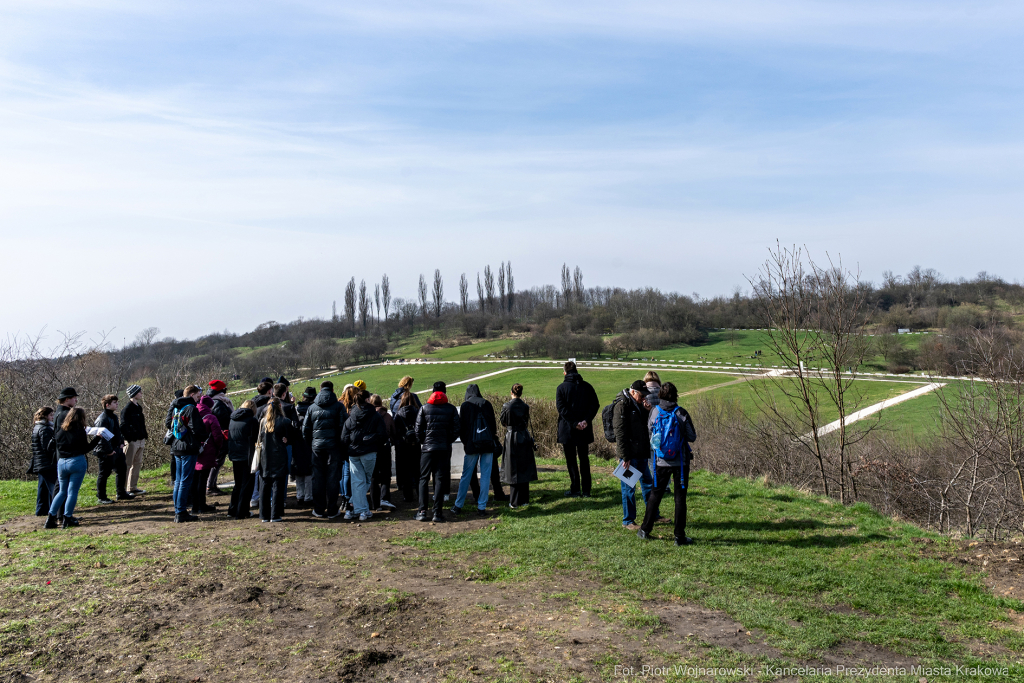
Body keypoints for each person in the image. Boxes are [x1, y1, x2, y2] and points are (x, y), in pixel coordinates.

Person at [637, 382, 697, 546]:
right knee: (680, 499)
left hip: (660, 461)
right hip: (681, 462)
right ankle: (679, 536)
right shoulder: (681, 413)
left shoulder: (655, 412)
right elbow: (692, 436)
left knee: (655, 495)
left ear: (660, 396)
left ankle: (645, 530)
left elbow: (650, 433)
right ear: (676, 395)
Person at [47, 406, 101, 528]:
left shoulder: (60, 430)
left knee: (61, 491)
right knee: (72, 492)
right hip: (76, 461)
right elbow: (86, 449)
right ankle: (67, 518)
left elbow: (51, 446)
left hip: (62, 463)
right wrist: (97, 438)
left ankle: (51, 518)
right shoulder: (80, 431)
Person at [414, 381, 460, 522]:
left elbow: (417, 430)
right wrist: (447, 440)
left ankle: (422, 511)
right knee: (440, 479)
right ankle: (437, 513)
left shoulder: (424, 409)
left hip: (428, 448)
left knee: (423, 479)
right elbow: (456, 429)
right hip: (444, 448)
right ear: (445, 392)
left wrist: (424, 441)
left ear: (432, 392)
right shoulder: (451, 409)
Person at [613, 380, 656, 530]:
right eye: (642, 395)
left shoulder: (639, 405)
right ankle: (628, 521)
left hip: (642, 453)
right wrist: (625, 456)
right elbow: (620, 433)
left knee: (648, 485)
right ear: (633, 392)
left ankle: (653, 515)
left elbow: (643, 427)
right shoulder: (621, 406)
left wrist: (646, 411)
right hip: (629, 456)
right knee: (628, 489)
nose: (644, 398)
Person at [303, 380, 348, 519]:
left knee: (318, 479)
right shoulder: (339, 407)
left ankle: (319, 509)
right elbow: (344, 428)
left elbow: (305, 429)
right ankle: (332, 509)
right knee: (333, 478)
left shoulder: (311, 408)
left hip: (317, 447)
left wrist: (312, 443)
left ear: (320, 390)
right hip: (334, 447)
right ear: (332, 390)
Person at [453, 384, 500, 516]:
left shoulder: (465, 405)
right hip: (487, 444)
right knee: (485, 475)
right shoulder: (487, 403)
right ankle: (482, 506)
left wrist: (466, 442)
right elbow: (493, 426)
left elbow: (462, 427)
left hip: (471, 445)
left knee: (466, 475)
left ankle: (458, 505)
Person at [555, 361, 600, 497]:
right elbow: (595, 405)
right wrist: (585, 420)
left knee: (571, 460)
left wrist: (574, 423)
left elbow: (561, 409)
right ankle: (586, 490)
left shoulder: (561, 388)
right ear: (577, 371)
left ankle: (575, 489)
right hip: (584, 428)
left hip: (568, 429)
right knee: (584, 459)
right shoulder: (587, 387)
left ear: (565, 373)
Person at [340, 390, 387, 521]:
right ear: (367, 400)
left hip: (353, 453)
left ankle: (353, 508)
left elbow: (344, 437)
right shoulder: (375, 416)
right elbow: (383, 435)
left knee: (358, 482)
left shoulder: (351, 416)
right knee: (365, 480)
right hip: (369, 452)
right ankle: (362, 510)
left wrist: (347, 451)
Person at [166, 385, 210, 523]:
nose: (199, 398)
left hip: (176, 446)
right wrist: (204, 435)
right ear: (191, 395)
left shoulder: (176, 407)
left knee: (179, 481)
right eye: (198, 395)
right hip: (188, 447)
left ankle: (178, 509)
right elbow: (197, 429)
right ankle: (181, 512)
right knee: (185, 481)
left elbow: (168, 424)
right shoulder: (191, 409)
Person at [500, 384, 538, 508]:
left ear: (511, 392)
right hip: (524, 436)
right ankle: (525, 499)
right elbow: (526, 421)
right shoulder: (525, 406)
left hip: (512, 437)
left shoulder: (507, 406)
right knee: (524, 467)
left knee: (513, 468)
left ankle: (514, 501)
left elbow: (503, 421)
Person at [258, 397, 296, 522]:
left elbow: (259, 439)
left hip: (264, 456)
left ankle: (264, 515)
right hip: (279, 455)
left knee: (264, 486)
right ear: (280, 406)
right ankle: (276, 514)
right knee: (278, 486)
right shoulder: (285, 421)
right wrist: (287, 439)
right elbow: (292, 437)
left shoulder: (263, 421)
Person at [94, 394, 130, 504]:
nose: (117, 404)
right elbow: (101, 438)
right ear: (107, 405)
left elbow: (116, 432)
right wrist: (109, 451)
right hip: (106, 452)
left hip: (117, 449)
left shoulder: (113, 416)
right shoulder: (102, 419)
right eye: (114, 402)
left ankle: (121, 493)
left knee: (122, 470)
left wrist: (121, 442)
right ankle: (101, 497)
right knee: (104, 474)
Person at [192, 395, 225, 514]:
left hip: (195, 450)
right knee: (202, 480)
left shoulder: (193, 414)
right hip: (207, 450)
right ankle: (201, 506)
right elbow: (217, 436)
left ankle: (195, 505)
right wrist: (218, 447)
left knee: (195, 480)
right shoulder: (211, 417)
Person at [227, 399, 259, 519]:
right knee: (247, 485)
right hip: (247, 455)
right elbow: (256, 437)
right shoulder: (252, 420)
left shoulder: (232, 419)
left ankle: (232, 509)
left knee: (238, 484)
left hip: (235, 454)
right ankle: (242, 511)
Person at [391, 389, 421, 503]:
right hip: (415, 444)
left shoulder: (398, 415)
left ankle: (408, 496)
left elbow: (395, 431)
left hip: (403, 445)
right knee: (417, 471)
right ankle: (420, 493)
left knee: (406, 472)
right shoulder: (418, 412)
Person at [368, 394, 397, 511]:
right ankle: (385, 498)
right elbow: (394, 433)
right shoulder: (388, 416)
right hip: (385, 447)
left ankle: (375, 503)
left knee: (373, 476)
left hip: (372, 448)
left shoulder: (368, 416)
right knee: (386, 475)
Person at [249, 380, 274, 509]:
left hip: (253, 441)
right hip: (264, 441)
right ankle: (267, 498)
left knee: (255, 470)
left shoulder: (252, 403)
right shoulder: (268, 406)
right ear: (269, 391)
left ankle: (254, 498)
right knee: (264, 472)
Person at [206, 379, 234, 496]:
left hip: (221, 435)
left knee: (218, 461)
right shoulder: (218, 403)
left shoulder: (217, 401)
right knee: (217, 461)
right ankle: (209, 486)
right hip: (221, 436)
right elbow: (222, 420)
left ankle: (213, 484)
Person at [30, 407, 58, 517]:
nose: (53, 417)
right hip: (47, 463)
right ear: (46, 416)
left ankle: (41, 510)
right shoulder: (45, 429)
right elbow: (48, 447)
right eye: (51, 415)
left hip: (40, 463)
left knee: (43, 489)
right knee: (54, 487)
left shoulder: (37, 427)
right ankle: (56, 511)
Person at [120, 385, 148, 495]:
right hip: (132, 441)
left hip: (141, 440)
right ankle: (123, 489)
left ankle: (132, 487)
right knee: (127, 465)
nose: (141, 393)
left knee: (137, 464)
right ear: (134, 393)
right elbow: (123, 426)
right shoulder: (127, 409)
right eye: (139, 392)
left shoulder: (138, 407)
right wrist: (130, 439)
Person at [292, 386, 317, 508]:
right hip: (309, 442)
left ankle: (299, 496)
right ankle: (308, 497)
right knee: (308, 471)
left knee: (298, 470)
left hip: (296, 442)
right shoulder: (313, 409)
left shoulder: (295, 409)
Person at [165, 388, 184, 482]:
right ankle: (174, 478)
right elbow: (168, 422)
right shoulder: (175, 407)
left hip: (174, 434)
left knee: (174, 457)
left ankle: (174, 478)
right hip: (176, 435)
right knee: (174, 457)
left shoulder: (173, 406)